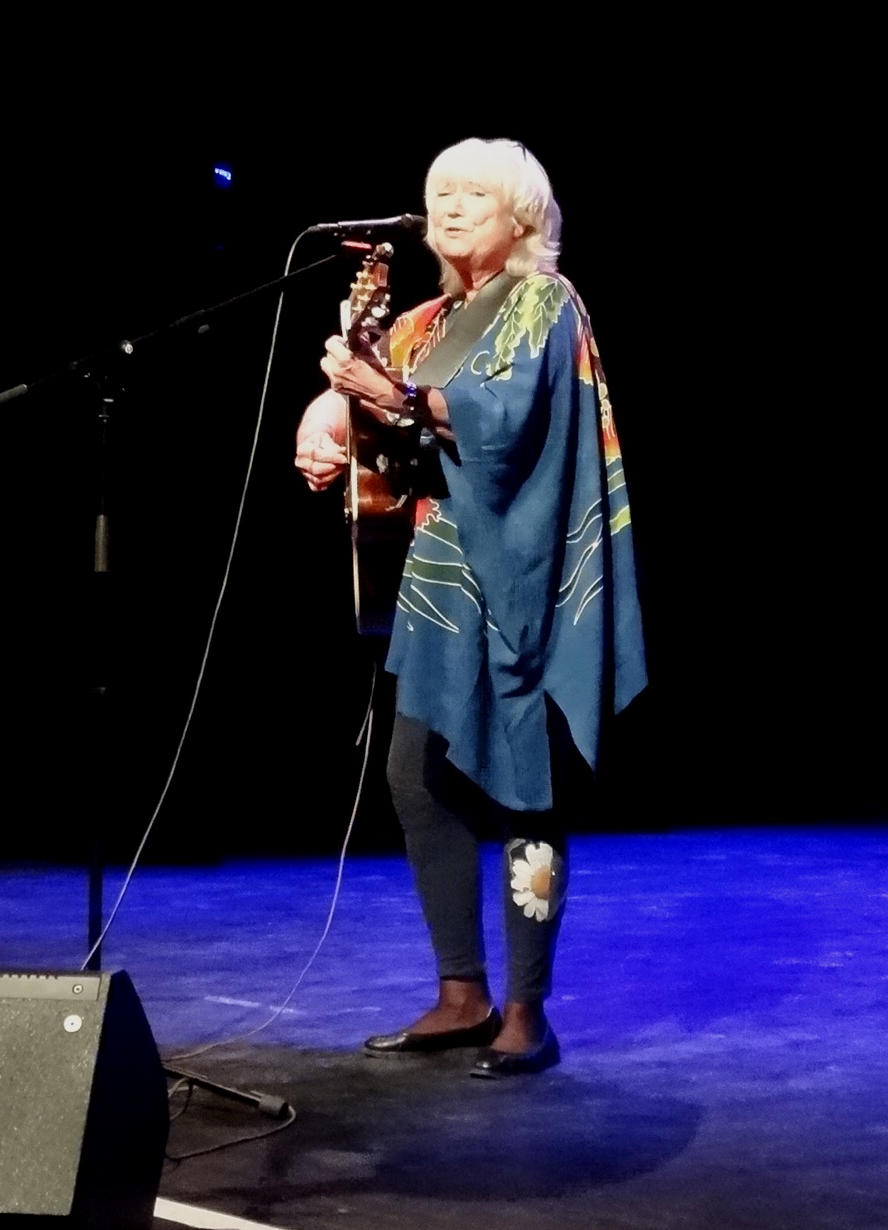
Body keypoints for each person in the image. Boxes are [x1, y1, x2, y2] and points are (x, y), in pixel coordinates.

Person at [295, 138, 647, 1076]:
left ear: (520, 217)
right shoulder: (426, 320)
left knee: (527, 783)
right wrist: (324, 426)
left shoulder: (543, 302)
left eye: (475, 196)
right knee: (417, 776)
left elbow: (505, 413)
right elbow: (351, 398)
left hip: (524, 574)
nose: (450, 208)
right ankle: (462, 992)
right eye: (441, 192)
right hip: (443, 578)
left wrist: (394, 394)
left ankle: (527, 1009)